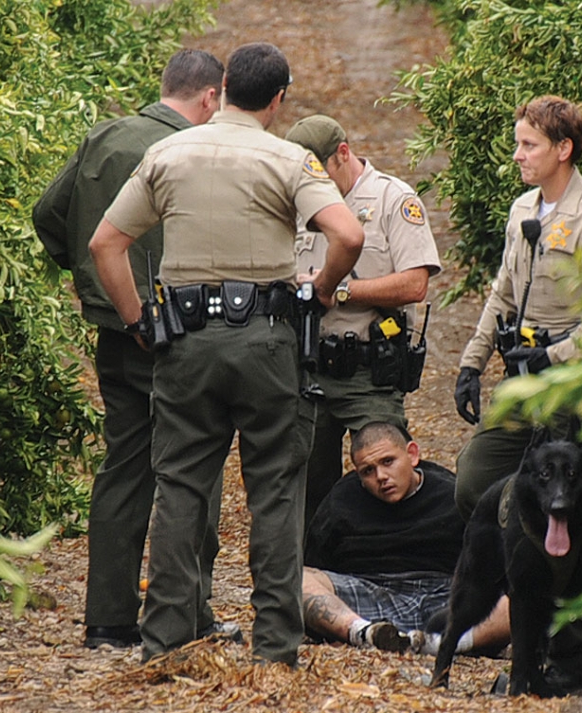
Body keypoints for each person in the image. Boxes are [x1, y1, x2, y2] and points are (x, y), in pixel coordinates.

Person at [88, 42, 364, 667]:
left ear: (224, 86)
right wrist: (320, 292)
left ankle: (164, 644)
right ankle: (274, 650)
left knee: (180, 485)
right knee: (274, 490)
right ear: (277, 99)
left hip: (185, 340)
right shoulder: (290, 158)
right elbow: (348, 234)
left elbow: (107, 242)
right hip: (267, 339)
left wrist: (138, 321)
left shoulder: (167, 152)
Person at [31, 49, 229, 650]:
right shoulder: (193, 151)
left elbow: (48, 215)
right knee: (194, 465)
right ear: (210, 97)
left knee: (124, 466)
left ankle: (107, 619)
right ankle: (189, 612)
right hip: (183, 330)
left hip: (116, 330)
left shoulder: (105, 136)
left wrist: (96, 288)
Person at [452, 94, 582, 690]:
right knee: (475, 482)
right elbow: (503, 291)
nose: (518, 155)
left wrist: (555, 353)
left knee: (576, 526)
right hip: (527, 385)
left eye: (529, 145)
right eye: (518, 143)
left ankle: (567, 658)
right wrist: (471, 361)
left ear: (564, 149)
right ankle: (526, 612)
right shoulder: (523, 208)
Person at [284, 115, 442, 529]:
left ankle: (395, 567)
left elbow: (415, 284)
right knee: (305, 488)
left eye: (319, 173)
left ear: (343, 154)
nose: (313, 185)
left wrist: (337, 290)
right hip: (308, 364)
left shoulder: (393, 199)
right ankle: (311, 580)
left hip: (368, 369)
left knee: (389, 477)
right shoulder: (300, 205)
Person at [302, 421, 509, 655]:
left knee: (520, 597)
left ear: (412, 454)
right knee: (294, 579)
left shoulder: (451, 494)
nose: (381, 476)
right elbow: (316, 563)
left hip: (445, 595)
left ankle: (446, 644)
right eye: (368, 471)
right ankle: (363, 633)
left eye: (388, 462)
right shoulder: (342, 501)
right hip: (372, 593)